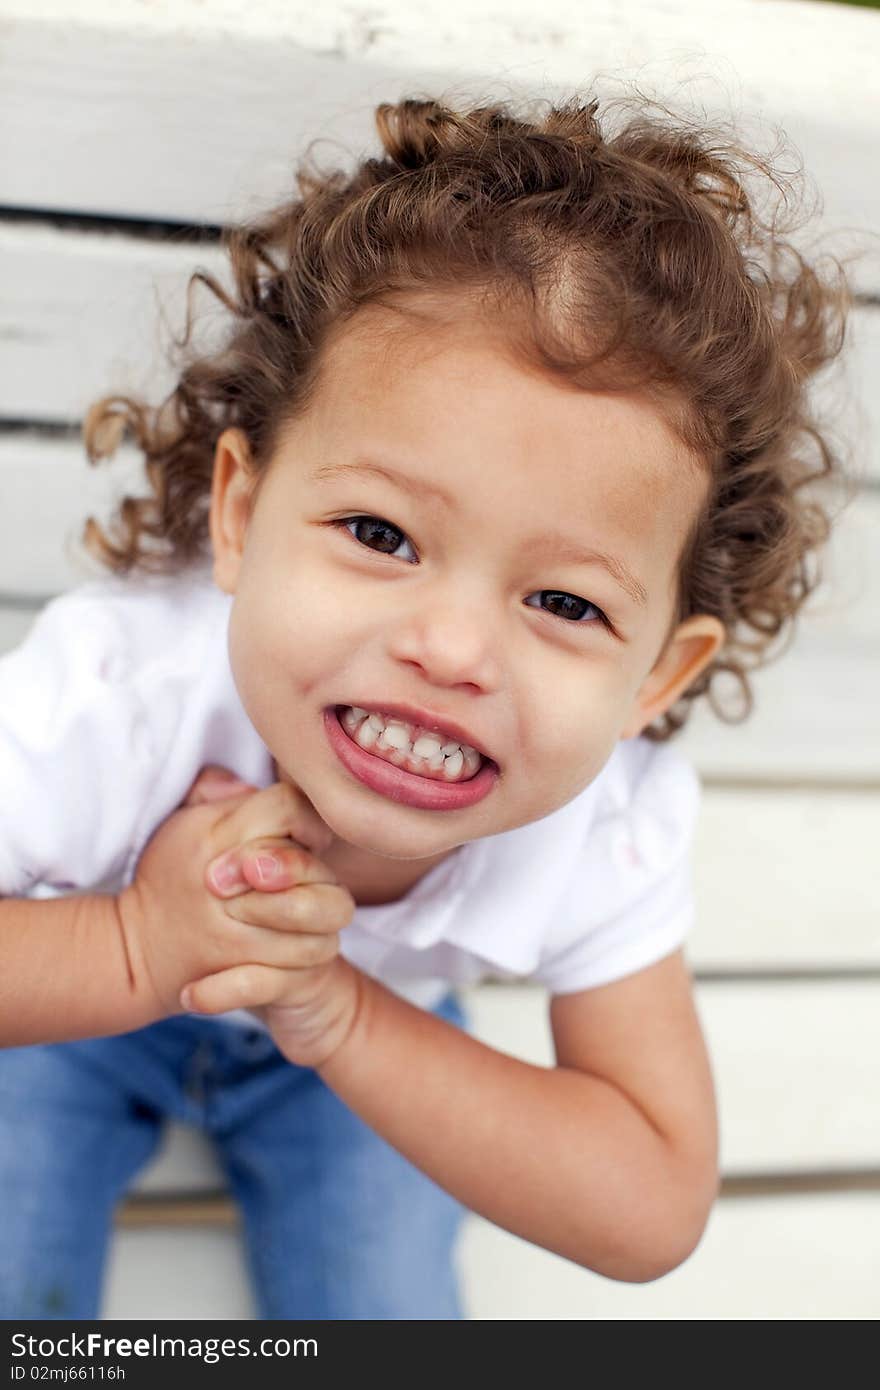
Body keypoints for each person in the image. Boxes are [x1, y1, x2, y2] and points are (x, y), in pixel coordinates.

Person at [0, 92, 853, 1319]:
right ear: (238, 515)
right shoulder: (122, 698)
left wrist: (337, 1013)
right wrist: (140, 943)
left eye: (563, 604)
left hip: (366, 1054)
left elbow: (650, 1203)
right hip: (69, 991)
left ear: (656, 677)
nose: (451, 649)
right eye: (379, 532)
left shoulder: (600, 829)